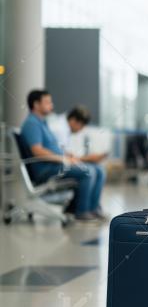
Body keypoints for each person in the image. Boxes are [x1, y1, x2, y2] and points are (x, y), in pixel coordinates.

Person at [19, 91, 106, 221]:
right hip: (45, 169)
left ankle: (91, 209)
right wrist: (64, 159)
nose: (51, 105)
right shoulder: (32, 123)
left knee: (99, 169)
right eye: (47, 102)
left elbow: (52, 148)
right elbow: (37, 150)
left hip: (53, 165)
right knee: (88, 171)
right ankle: (81, 212)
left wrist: (66, 155)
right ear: (36, 104)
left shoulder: (42, 123)